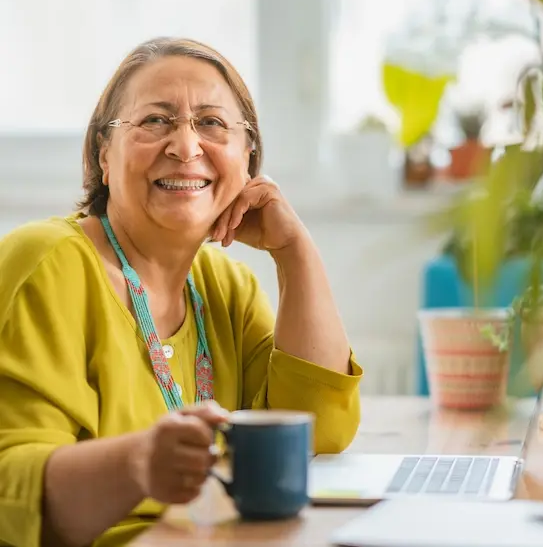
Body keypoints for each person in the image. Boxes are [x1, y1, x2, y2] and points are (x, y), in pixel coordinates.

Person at [0, 37, 363, 547]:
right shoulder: (47, 263)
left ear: (247, 158)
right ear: (105, 154)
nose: (186, 147)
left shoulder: (224, 285)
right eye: (155, 121)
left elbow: (317, 430)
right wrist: (136, 464)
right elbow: (8, 495)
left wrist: (295, 251)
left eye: (212, 124)